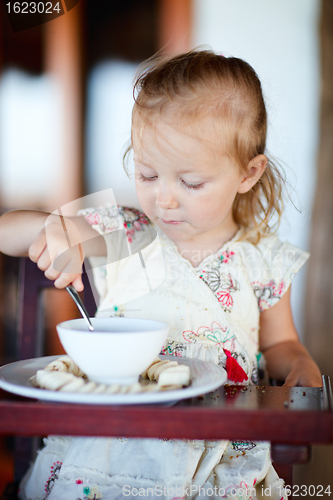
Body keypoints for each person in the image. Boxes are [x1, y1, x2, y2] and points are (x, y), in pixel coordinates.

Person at [0, 49, 321, 500]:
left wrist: (302, 366)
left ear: (248, 173)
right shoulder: (126, 232)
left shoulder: (262, 258)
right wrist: (54, 228)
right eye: (148, 175)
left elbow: (281, 344)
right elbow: (6, 232)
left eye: (190, 183)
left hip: (222, 448)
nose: (164, 200)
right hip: (114, 443)